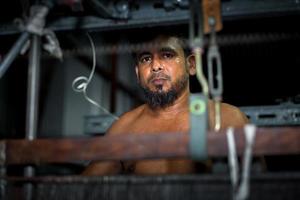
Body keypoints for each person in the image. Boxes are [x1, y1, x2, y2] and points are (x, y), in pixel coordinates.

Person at [82, 34, 249, 175]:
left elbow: (259, 188)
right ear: (138, 73)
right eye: (146, 59)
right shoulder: (124, 128)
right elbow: (84, 189)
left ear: (191, 65)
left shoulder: (227, 118)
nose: (155, 66)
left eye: (167, 55)